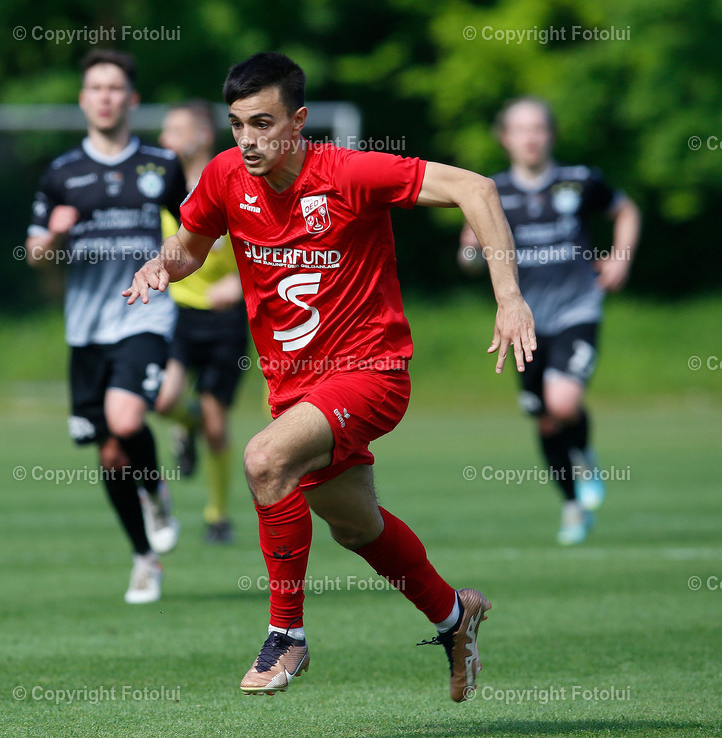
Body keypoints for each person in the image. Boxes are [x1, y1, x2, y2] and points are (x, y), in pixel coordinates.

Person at [125, 52, 536, 700]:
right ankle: (456, 617)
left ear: (300, 120)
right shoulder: (225, 176)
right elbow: (191, 248)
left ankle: (287, 636)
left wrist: (509, 297)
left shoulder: (349, 173)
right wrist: (160, 265)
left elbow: (476, 188)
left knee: (263, 461)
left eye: (263, 123)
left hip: (372, 373)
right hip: (296, 391)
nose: (248, 140)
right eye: (237, 124)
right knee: (355, 526)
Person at [25, 49, 188, 604]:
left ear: (132, 99)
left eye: (115, 88)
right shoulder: (62, 173)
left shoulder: (162, 165)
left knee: (126, 415)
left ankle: (156, 491)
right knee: (112, 455)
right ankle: (145, 555)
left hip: (144, 314)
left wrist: (169, 263)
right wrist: (55, 237)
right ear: (83, 99)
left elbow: (195, 230)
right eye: (95, 87)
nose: (105, 96)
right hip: (86, 330)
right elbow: (35, 256)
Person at [460, 96, 641, 546]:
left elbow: (626, 211)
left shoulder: (579, 181)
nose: (531, 137)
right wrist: (470, 254)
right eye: (521, 129)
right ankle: (572, 506)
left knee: (562, 404)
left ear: (551, 134)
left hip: (578, 309)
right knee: (543, 418)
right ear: (505, 139)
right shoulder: (492, 191)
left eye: (538, 128)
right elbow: (468, 249)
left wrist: (620, 257)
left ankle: (584, 455)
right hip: (522, 322)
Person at [154, 100, 249, 544]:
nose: (164, 139)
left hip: (226, 320)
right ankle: (183, 426)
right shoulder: (161, 186)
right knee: (163, 400)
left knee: (216, 423)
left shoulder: (234, 183)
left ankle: (217, 515)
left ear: (203, 136)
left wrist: (241, 285)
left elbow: (265, 248)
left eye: (175, 129)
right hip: (179, 314)